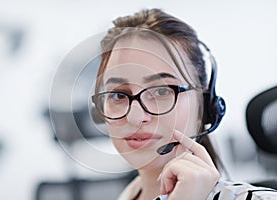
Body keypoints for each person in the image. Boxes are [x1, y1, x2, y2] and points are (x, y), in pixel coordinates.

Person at [91, 8, 277, 200]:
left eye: (162, 91)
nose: (135, 117)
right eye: (119, 95)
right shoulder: (129, 194)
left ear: (204, 105)